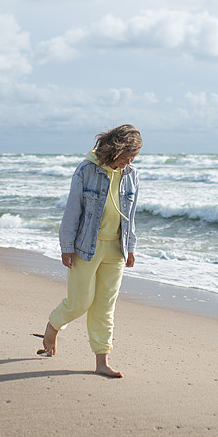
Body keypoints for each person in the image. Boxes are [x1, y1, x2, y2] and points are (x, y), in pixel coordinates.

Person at [41, 124, 142, 378]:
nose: (129, 161)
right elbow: (72, 210)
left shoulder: (131, 175)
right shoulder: (87, 170)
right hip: (86, 246)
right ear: (115, 148)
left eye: (134, 157)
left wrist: (130, 247)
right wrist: (67, 246)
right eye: (127, 155)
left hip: (115, 249)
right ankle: (54, 325)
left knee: (105, 307)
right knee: (80, 302)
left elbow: (130, 215)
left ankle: (101, 361)